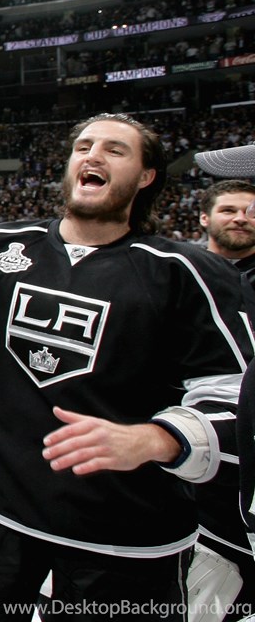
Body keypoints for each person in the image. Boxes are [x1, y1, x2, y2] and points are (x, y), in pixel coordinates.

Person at [0, 112, 250, 621]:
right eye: (84, 146)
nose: (93, 155)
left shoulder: (189, 275)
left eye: (115, 150)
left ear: (146, 176)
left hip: (125, 537)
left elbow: (233, 394)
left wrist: (155, 439)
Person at [188, 170, 255, 618]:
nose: (241, 218)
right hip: (180, 444)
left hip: (241, 449)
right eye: (229, 210)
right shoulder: (177, 274)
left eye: (251, 212)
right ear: (204, 218)